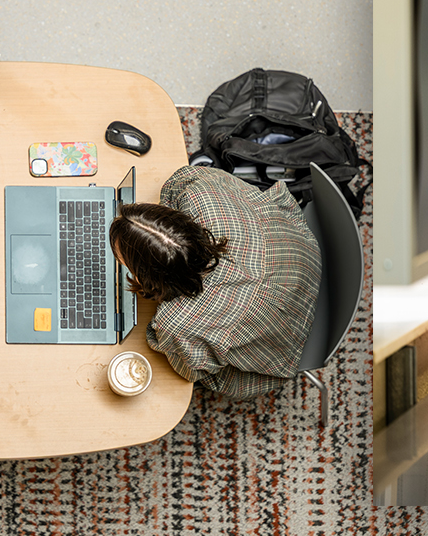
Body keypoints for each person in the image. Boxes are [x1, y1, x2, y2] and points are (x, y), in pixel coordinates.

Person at [108, 164, 321, 400]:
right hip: (301, 254)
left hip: (282, 344)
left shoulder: (177, 325)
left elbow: (188, 370)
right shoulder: (201, 193)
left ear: (150, 278)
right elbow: (178, 180)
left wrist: (160, 328)